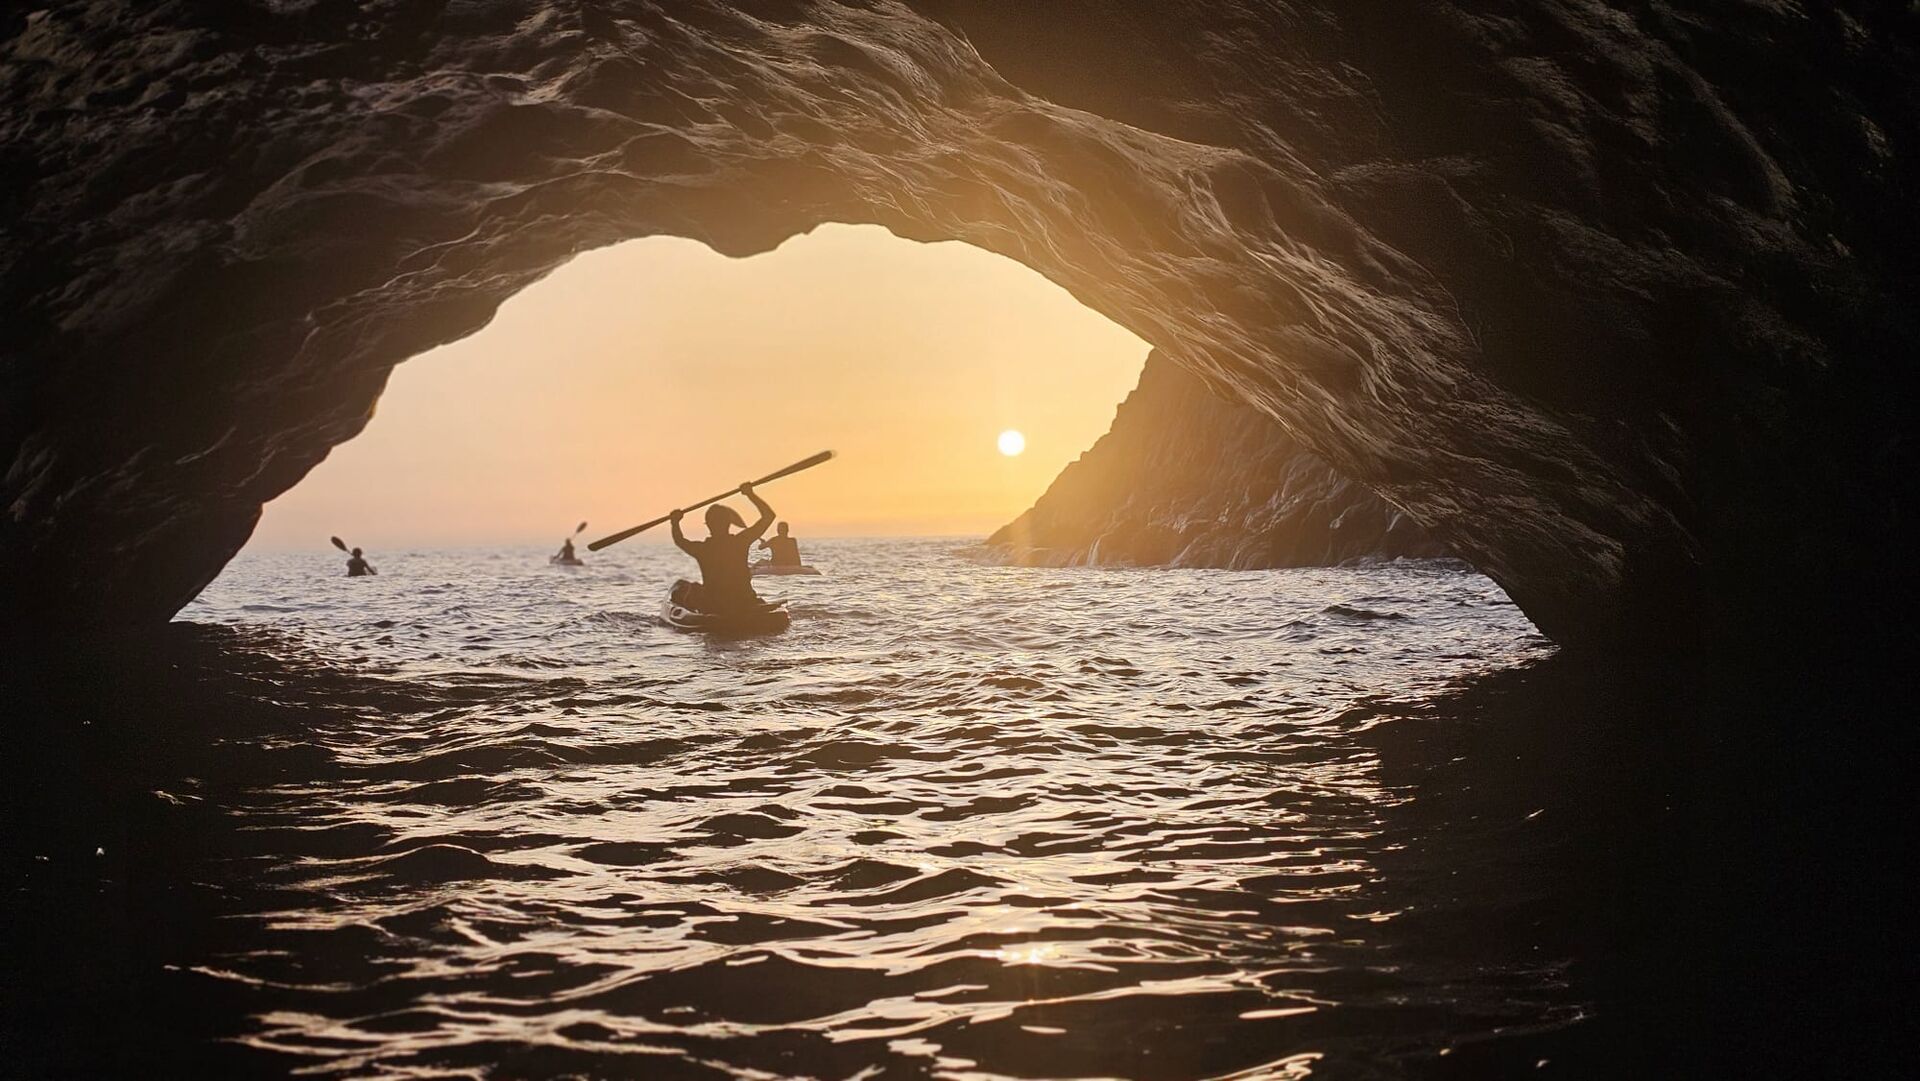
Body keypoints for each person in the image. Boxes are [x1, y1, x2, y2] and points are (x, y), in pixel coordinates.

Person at [670, 482, 775, 612]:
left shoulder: (702, 549)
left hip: (715, 606)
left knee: (689, 590)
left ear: (708, 525)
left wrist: (675, 523)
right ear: (729, 523)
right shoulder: (741, 541)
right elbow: (769, 516)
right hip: (744, 601)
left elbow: (679, 540)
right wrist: (750, 494)